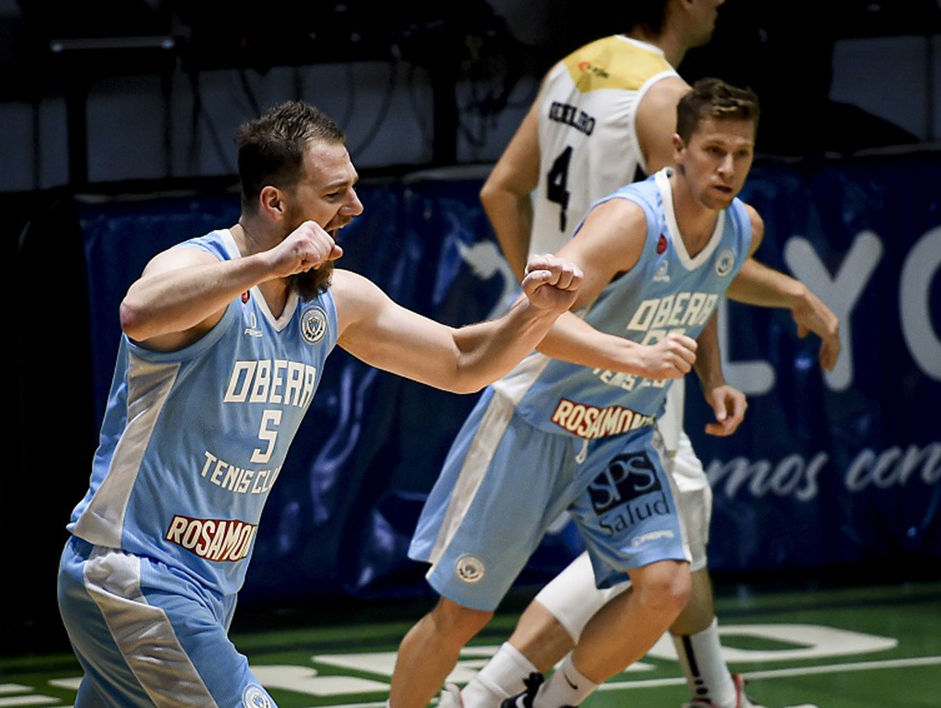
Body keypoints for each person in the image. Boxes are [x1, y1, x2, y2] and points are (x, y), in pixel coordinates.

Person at [54, 100, 592, 708]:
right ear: (274, 203)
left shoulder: (333, 299)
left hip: (208, 589)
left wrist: (536, 313)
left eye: (354, 188)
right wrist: (267, 264)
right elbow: (139, 312)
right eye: (336, 194)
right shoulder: (201, 267)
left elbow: (462, 361)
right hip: (134, 573)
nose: (355, 208)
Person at [455, 2, 838, 707]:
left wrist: (541, 308)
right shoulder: (665, 96)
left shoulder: (573, 68)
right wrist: (782, 302)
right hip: (625, 353)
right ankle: (487, 694)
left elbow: (499, 190)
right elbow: (692, 245)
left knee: (667, 548)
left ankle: (710, 695)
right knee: (659, 548)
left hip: (568, 337)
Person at [390, 77, 765, 708]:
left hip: (621, 435)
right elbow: (539, 318)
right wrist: (634, 356)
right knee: (461, 615)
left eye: (742, 153)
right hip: (536, 421)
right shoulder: (629, 221)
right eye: (714, 151)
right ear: (679, 148)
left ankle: (545, 702)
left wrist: (714, 379)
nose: (728, 168)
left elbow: (701, 295)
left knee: (666, 587)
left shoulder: (741, 228)